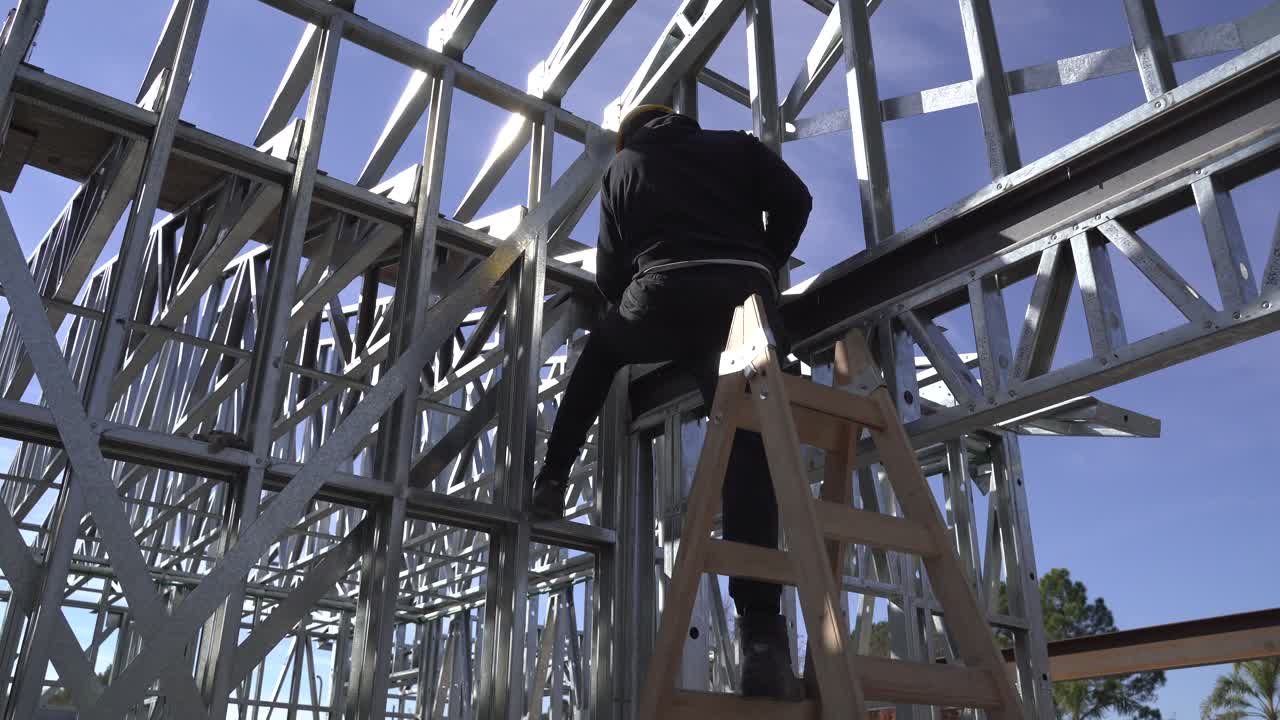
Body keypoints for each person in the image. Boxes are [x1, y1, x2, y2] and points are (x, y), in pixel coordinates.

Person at [528, 104, 812, 700]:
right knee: (745, 442)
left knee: (601, 354)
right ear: (682, 121)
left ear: (631, 134)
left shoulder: (626, 166)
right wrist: (762, 260)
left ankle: (552, 477)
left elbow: (609, 278)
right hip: (744, 301)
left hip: (662, 294)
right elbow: (798, 201)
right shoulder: (736, 146)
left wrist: (650, 290)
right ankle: (762, 638)